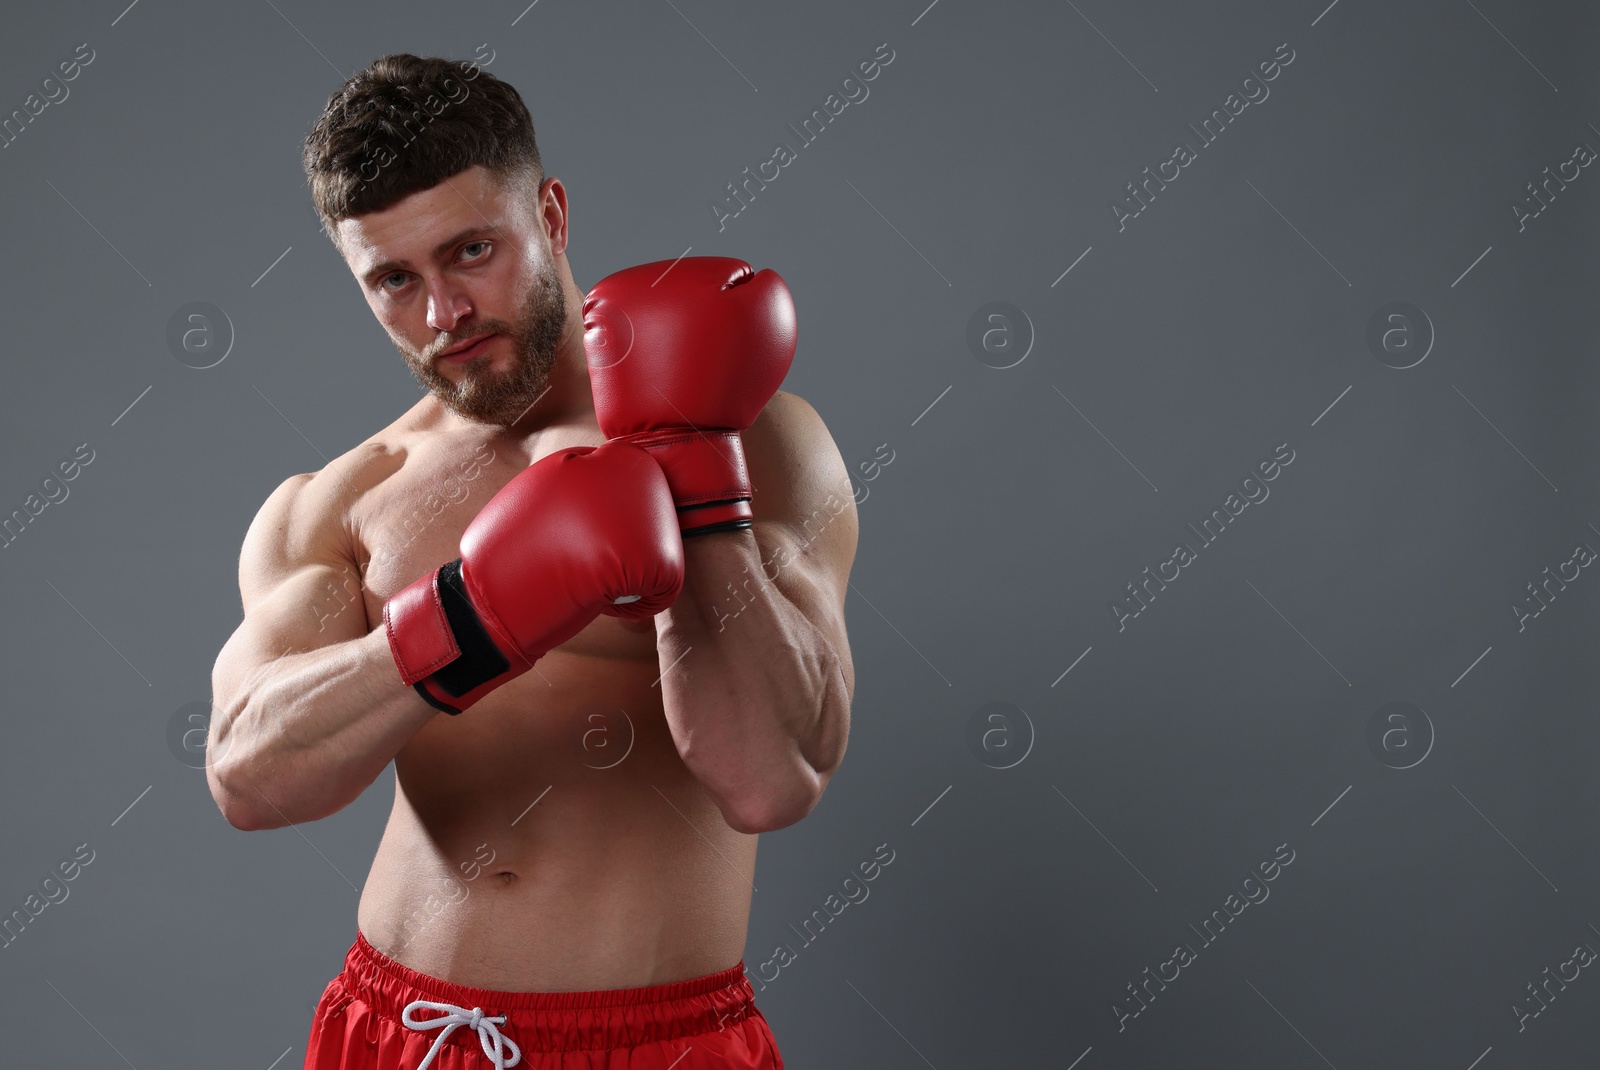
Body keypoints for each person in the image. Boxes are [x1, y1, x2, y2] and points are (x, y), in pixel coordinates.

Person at [207, 52, 857, 1070]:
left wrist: (693, 487)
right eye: (393, 279)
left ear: (549, 214)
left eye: (471, 250)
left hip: (655, 1044)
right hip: (398, 1028)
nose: (443, 313)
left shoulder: (760, 440)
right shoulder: (343, 499)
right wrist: (468, 617)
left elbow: (774, 778)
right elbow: (250, 777)